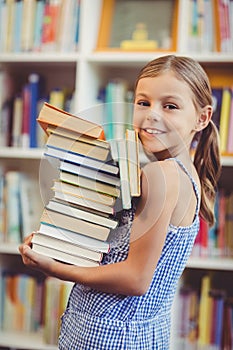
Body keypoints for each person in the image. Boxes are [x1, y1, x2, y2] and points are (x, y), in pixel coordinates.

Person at [19, 55, 221, 349]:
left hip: (110, 337)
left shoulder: (160, 174)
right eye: (143, 102)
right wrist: (56, 246)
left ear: (202, 118)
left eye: (170, 106)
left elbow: (135, 279)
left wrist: (53, 268)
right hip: (141, 333)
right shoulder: (183, 173)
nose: (152, 115)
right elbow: (119, 256)